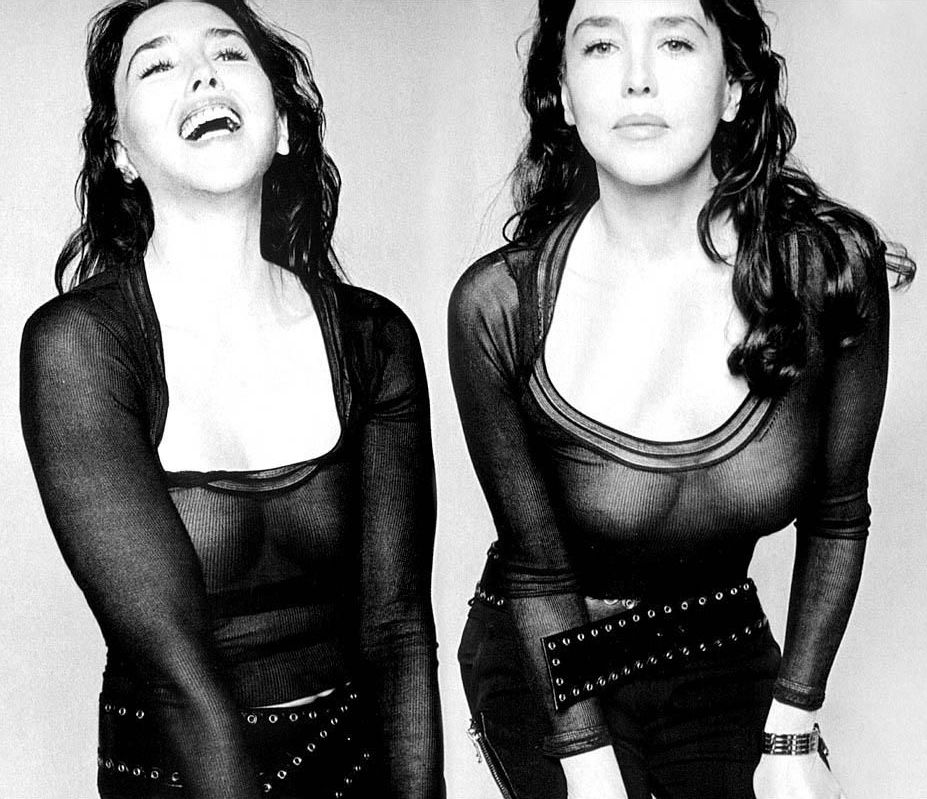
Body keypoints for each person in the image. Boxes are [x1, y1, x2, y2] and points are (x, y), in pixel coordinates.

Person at [449, 1, 915, 798]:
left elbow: (837, 513)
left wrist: (792, 730)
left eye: (672, 40)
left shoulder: (830, 270)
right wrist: (585, 765)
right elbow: (536, 572)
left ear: (732, 86)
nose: (637, 79)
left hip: (715, 637)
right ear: (563, 94)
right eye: (601, 45)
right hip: (552, 653)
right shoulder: (500, 306)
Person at [20, 1, 443, 797]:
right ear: (119, 151)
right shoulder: (81, 345)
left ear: (280, 124)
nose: (202, 75)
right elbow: (177, 676)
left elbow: (396, 631)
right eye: (157, 64)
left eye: (228, 54)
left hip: (354, 763)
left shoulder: (374, 337)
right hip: (180, 774)